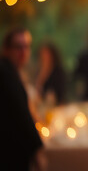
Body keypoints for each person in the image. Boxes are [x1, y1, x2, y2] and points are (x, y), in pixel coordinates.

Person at [0, 27, 46, 170]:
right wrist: (37, 150)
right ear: (6, 49)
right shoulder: (5, 73)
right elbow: (21, 114)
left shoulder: (11, 71)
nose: (23, 52)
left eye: (27, 46)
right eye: (18, 47)